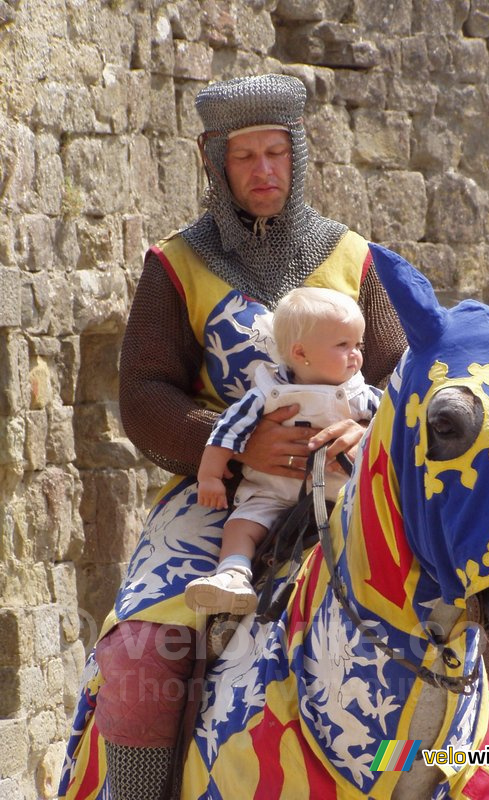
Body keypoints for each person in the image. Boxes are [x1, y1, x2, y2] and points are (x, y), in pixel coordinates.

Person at [59, 73, 407, 800]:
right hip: (218, 500)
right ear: (214, 162)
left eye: (276, 153)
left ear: (298, 154)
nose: (264, 171)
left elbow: (406, 372)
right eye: (245, 157)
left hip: (353, 485)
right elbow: (145, 394)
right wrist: (234, 441)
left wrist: (363, 422)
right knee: (141, 653)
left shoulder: (355, 259)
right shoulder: (177, 264)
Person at [185, 286, 382, 616]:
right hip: (270, 491)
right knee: (242, 525)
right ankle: (232, 575)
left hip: (342, 494)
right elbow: (225, 431)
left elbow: (394, 424)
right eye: (344, 346)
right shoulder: (268, 392)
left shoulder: (362, 394)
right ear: (301, 353)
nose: (356, 355)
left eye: (358, 346)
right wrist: (210, 477)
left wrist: (366, 438)